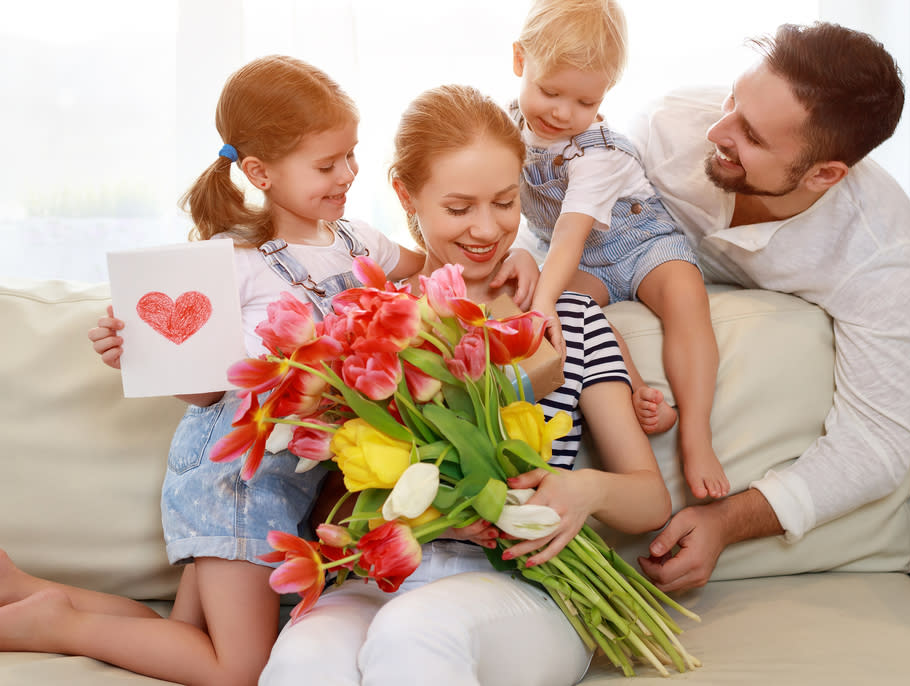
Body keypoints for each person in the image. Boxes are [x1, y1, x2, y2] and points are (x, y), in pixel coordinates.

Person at [0, 56, 536, 685]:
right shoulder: (234, 260)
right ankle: (51, 626)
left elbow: (441, 272)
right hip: (238, 475)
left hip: (295, 479)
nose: (347, 174)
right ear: (259, 172)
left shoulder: (358, 240)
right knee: (240, 669)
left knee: (188, 638)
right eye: (326, 164)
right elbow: (204, 391)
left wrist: (521, 254)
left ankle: (29, 590)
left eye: (350, 155)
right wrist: (136, 349)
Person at [258, 84, 671, 686]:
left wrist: (583, 491)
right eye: (459, 208)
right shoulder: (364, 324)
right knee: (304, 654)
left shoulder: (568, 320)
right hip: (385, 574)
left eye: (505, 202)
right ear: (406, 195)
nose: (487, 229)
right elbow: (328, 502)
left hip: (523, 586)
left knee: (417, 631)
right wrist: (422, 513)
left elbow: (649, 501)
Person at [631, 22, 910, 592]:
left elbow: (876, 444)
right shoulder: (665, 133)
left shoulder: (879, 247)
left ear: (824, 175)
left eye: (751, 134)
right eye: (732, 101)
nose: (717, 131)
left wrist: (727, 521)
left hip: (867, 326)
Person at [510, 0, 728, 500]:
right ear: (519, 60)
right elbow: (505, 206)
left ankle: (695, 432)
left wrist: (538, 303)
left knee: (684, 298)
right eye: (550, 91)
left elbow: (567, 235)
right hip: (585, 259)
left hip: (641, 241)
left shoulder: (598, 152)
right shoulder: (504, 130)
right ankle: (639, 391)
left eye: (586, 100)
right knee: (573, 312)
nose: (563, 112)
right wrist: (533, 277)